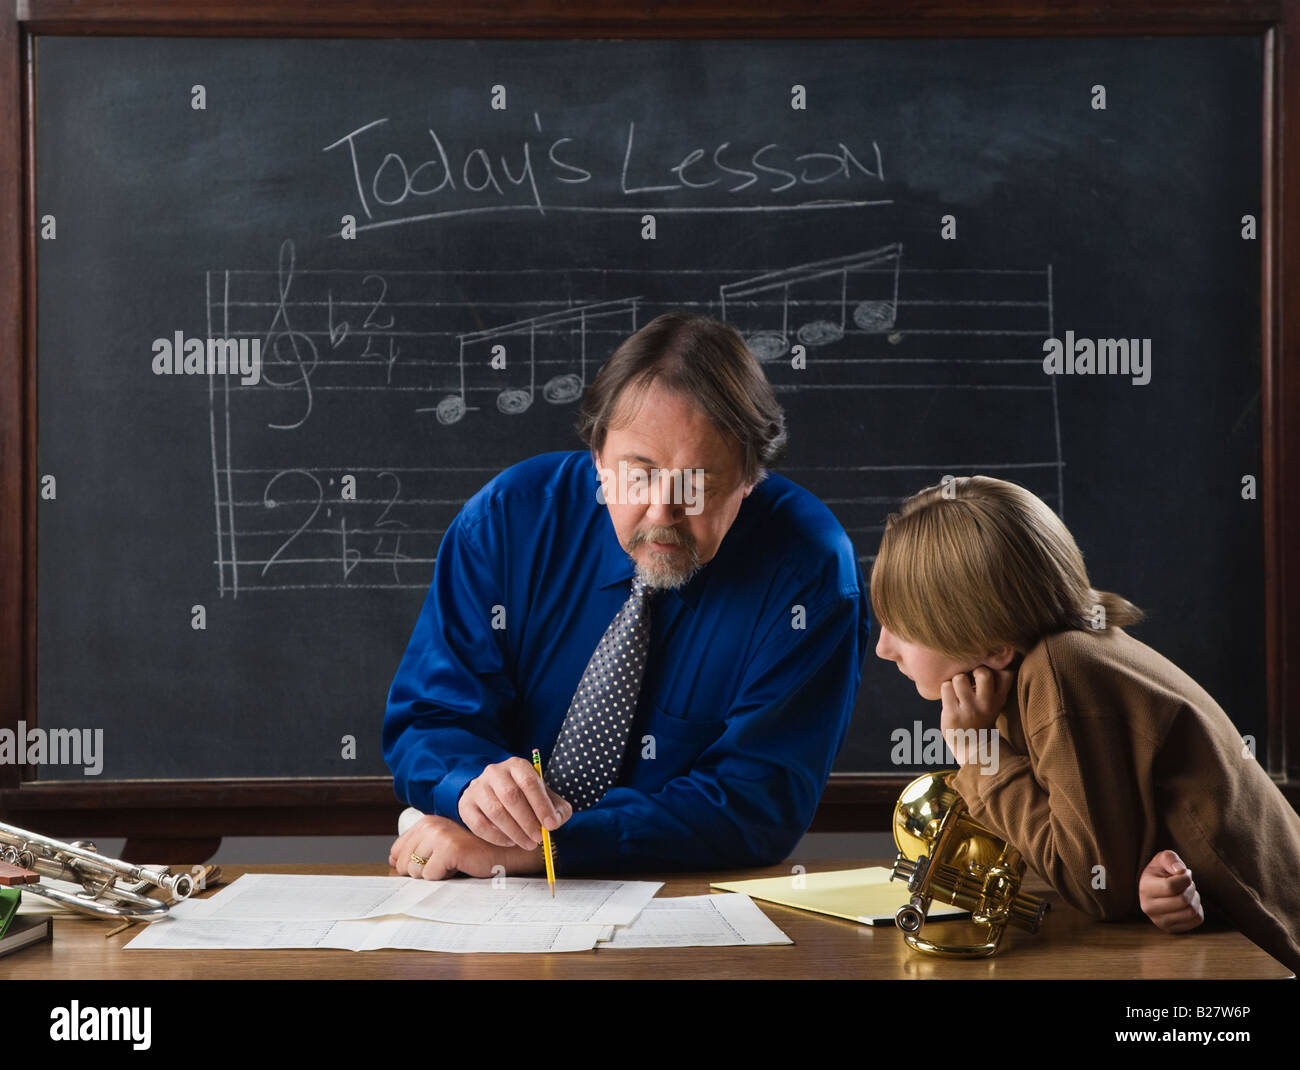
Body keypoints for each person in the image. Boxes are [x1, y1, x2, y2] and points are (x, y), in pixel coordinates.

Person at [384, 312, 870, 880]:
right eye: (638, 475)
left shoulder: (807, 573)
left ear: (750, 476)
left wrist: (542, 849)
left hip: (689, 910)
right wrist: (469, 785)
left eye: (699, 483)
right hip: (486, 894)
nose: (663, 513)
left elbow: (754, 802)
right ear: (596, 458)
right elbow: (428, 717)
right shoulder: (506, 523)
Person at [870, 475, 1300, 971]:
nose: (884, 648)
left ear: (993, 646)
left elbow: (1096, 888)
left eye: (902, 626)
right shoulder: (1054, 657)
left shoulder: (1060, 671)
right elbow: (1110, 870)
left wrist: (977, 751)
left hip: (1269, 953)